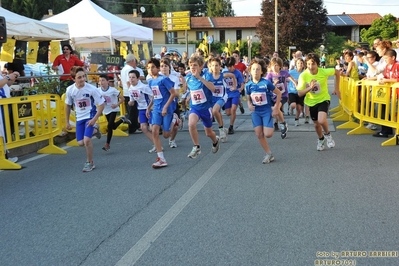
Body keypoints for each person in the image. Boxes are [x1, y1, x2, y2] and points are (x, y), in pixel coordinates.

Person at [65, 67, 105, 172]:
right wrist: (67, 121)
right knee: (80, 143)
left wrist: (94, 119)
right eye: (79, 77)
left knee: (87, 141)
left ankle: (89, 162)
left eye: (83, 76)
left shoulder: (91, 89)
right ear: (73, 79)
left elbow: (101, 104)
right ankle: (95, 130)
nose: (82, 79)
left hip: (90, 116)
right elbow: (67, 106)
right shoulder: (70, 90)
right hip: (79, 117)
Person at [297, 53, 340, 151]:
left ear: (317, 64)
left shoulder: (323, 72)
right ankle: (321, 139)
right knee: (316, 124)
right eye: (308, 64)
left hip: (324, 99)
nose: (311, 67)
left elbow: (337, 72)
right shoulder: (303, 76)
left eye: (313, 64)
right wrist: (310, 88)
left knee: (321, 120)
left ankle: (328, 135)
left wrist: (337, 88)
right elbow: (299, 93)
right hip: (311, 102)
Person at [246, 58, 281, 164]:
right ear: (250, 71)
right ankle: (268, 154)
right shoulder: (248, 85)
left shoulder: (266, 83)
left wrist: (275, 108)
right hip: (256, 112)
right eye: (253, 69)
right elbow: (248, 98)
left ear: (262, 71)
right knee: (259, 134)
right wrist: (249, 105)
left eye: (258, 69)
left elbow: (278, 93)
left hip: (266, 110)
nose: (255, 71)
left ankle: (275, 122)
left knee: (268, 134)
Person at [186, 55, 221, 159]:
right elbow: (192, 90)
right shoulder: (188, 77)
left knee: (208, 133)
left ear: (201, 66)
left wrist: (199, 78)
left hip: (206, 108)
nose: (193, 67)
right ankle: (196, 146)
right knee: (191, 124)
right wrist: (188, 97)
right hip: (195, 107)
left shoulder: (207, 75)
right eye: (191, 65)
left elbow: (213, 89)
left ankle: (215, 141)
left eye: (195, 65)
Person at [146, 58, 177, 168]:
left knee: (166, 135)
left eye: (153, 67)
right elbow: (155, 95)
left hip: (166, 109)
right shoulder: (150, 81)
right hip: (156, 109)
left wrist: (165, 107)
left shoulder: (164, 79)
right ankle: (161, 158)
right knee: (154, 131)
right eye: (148, 68)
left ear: (158, 68)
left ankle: (174, 120)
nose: (150, 70)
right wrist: (149, 107)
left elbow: (174, 94)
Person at [97, 74, 131, 152]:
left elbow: (122, 99)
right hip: (106, 110)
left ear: (107, 82)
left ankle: (107, 144)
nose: (101, 82)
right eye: (100, 81)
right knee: (113, 127)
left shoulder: (113, 90)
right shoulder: (98, 90)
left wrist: (116, 104)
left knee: (109, 126)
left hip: (114, 109)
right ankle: (122, 119)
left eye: (103, 80)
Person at [208, 57, 237, 142]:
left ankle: (221, 130)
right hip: (212, 97)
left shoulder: (223, 75)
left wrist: (234, 86)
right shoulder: (208, 76)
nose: (215, 67)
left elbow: (232, 76)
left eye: (216, 65)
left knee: (215, 111)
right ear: (210, 66)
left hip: (222, 97)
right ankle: (223, 129)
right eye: (213, 65)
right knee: (217, 113)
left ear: (220, 66)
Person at [372, 49, 399, 138]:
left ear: (393, 57)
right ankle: (393, 132)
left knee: (396, 113)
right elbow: (386, 77)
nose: (385, 60)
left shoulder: (397, 65)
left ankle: (397, 134)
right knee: (392, 113)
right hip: (390, 93)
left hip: (397, 94)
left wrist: (387, 80)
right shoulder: (387, 66)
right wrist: (381, 80)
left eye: (387, 58)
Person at [127, 70, 155, 152]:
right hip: (141, 109)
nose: (131, 79)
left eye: (133, 77)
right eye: (130, 77)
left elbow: (153, 96)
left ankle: (158, 144)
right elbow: (131, 100)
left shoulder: (144, 87)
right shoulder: (130, 89)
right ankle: (156, 144)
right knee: (143, 128)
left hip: (149, 108)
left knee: (152, 128)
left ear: (138, 78)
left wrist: (150, 107)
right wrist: (130, 102)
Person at [265, 57, 292, 138]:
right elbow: (267, 86)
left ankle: (282, 124)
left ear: (280, 66)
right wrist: (274, 84)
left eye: (277, 65)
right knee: (276, 111)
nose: (275, 67)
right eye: (273, 65)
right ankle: (283, 123)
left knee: (276, 108)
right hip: (273, 96)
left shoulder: (284, 72)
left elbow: (289, 76)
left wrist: (295, 82)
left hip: (283, 95)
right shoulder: (269, 75)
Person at [120, 54, 144, 134]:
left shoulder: (123, 69)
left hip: (126, 92)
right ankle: (132, 128)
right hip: (130, 92)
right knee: (133, 112)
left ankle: (134, 126)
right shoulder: (130, 69)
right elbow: (128, 82)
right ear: (133, 61)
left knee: (131, 111)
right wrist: (132, 91)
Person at [0, 71, 20, 163]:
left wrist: (13, 78)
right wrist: (8, 77)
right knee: (2, 130)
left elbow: (5, 85)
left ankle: (5, 155)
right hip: (1, 104)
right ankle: (3, 156)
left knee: (5, 129)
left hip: (5, 103)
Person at [223, 57, 244, 134]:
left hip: (235, 93)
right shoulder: (224, 72)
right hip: (227, 94)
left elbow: (242, 83)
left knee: (233, 109)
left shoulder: (237, 73)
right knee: (228, 113)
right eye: (227, 67)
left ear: (233, 66)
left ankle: (231, 126)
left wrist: (241, 88)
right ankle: (239, 103)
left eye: (230, 66)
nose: (229, 68)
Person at [288, 58, 305, 126]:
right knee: (293, 105)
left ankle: (296, 119)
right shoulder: (292, 72)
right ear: (296, 64)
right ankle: (291, 108)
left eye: (301, 63)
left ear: (303, 65)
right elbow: (287, 75)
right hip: (292, 91)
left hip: (300, 92)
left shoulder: (304, 73)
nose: (300, 65)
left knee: (299, 108)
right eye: (298, 63)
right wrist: (294, 81)